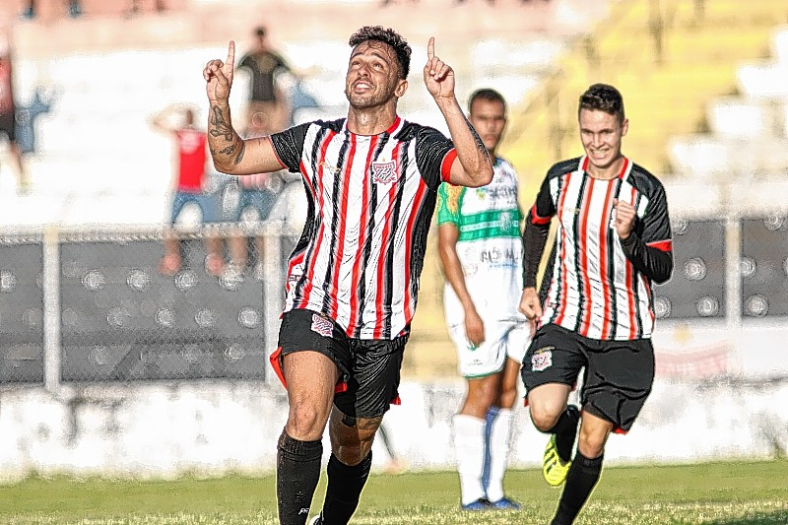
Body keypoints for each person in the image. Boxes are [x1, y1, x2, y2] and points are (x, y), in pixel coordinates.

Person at [203, 25, 494, 525]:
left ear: (401, 86)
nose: (362, 69)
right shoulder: (315, 138)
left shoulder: (419, 147)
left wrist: (446, 100)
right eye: (356, 62)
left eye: (377, 65)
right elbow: (229, 157)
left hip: (383, 322)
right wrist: (219, 103)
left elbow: (478, 172)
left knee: (353, 444)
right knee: (307, 415)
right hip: (316, 301)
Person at [518, 83, 674, 525]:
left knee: (592, 442)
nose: (596, 141)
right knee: (544, 414)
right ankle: (561, 426)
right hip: (564, 317)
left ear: (623, 128)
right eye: (588, 132)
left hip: (623, 331)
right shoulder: (561, 178)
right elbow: (536, 224)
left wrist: (629, 240)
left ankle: (561, 522)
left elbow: (662, 267)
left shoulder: (646, 190)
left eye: (605, 132)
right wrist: (530, 285)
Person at [436, 88, 530, 511]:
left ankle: (494, 489)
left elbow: (519, 238)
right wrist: (469, 307)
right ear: (469, 121)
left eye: (497, 119)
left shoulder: (508, 172)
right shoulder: (455, 177)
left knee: (508, 392)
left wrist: (528, 294)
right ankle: (471, 493)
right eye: (483, 119)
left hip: (512, 303)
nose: (490, 127)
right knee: (480, 392)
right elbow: (445, 247)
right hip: (477, 305)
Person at [151, 104, 224, 277]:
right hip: (182, 187)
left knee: (210, 225)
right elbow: (154, 122)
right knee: (170, 225)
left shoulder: (202, 135)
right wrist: (171, 109)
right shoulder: (180, 134)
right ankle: (172, 256)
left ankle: (214, 257)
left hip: (199, 188)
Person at [237, 26, 292, 134]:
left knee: (273, 132)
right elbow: (236, 71)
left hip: (270, 100)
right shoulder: (250, 57)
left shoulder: (273, 56)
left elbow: (289, 71)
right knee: (250, 131)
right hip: (254, 100)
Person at [0, 25, 28, 194]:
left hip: (8, 113)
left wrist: (7, 36)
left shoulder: (6, 69)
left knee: (13, 146)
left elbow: (10, 54)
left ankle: (22, 177)